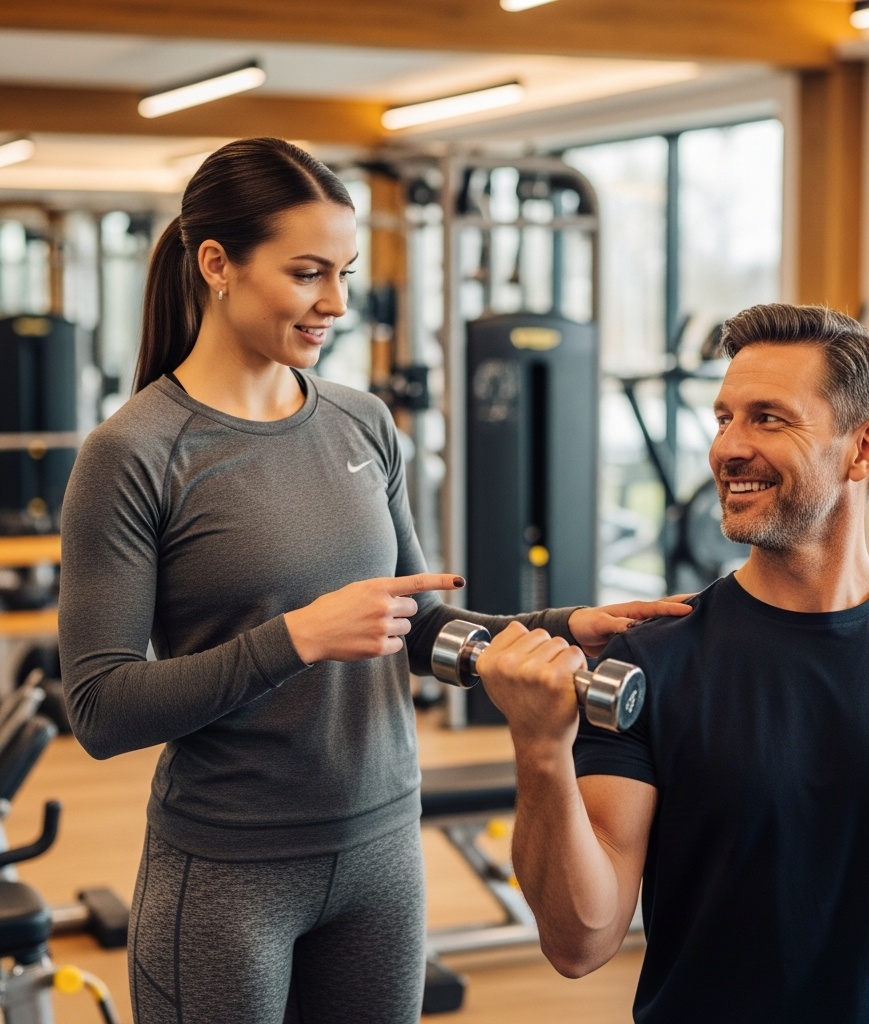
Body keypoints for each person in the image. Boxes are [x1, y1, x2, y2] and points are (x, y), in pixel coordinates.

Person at [56, 136, 689, 1024]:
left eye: (346, 273)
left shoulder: (361, 422)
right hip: (229, 870)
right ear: (216, 265)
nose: (336, 304)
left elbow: (414, 627)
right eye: (309, 272)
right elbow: (101, 709)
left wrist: (555, 625)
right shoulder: (135, 453)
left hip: (382, 849)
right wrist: (297, 639)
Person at [474, 302, 869, 1024]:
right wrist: (541, 749)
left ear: (863, 449)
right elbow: (581, 942)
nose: (728, 448)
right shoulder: (649, 660)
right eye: (724, 417)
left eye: (768, 418)